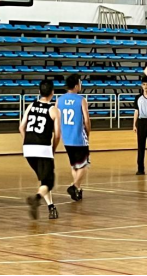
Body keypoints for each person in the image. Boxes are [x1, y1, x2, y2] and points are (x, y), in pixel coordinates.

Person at [20, 80, 61, 220]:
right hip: (43, 148)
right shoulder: (53, 110)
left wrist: (27, 141)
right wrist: (52, 149)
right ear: (52, 93)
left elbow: (21, 127)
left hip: (28, 148)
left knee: (44, 180)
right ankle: (36, 199)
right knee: (49, 182)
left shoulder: (31, 105)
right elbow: (57, 135)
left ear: (39, 92)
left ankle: (51, 207)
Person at [57, 74, 91, 202]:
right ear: (76, 85)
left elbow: (56, 118)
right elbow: (87, 120)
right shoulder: (81, 100)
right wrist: (88, 133)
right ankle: (75, 186)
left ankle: (78, 190)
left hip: (66, 138)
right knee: (84, 165)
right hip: (79, 137)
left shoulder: (59, 100)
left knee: (74, 165)